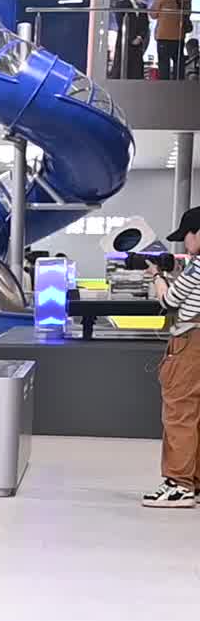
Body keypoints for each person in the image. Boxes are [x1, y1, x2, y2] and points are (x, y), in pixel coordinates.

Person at [143, 207, 200, 507]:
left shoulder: (198, 265)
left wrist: (157, 276)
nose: (185, 244)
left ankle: (179, 485)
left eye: (187, 236)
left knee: (180, 413)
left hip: (191, 343)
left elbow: (169, 300)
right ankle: (195, 481)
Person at [151, 0, 190, 80]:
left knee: (164, 66)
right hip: (179, 35)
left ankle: (165, 89)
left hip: (164, 36)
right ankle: (179, 88)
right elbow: (187, 14)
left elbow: (153, 14)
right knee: (178, 65)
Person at [114, 0, 151, 79]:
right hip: (124, 43)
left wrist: (140, 37)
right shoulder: (121, 4)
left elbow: (145, 24)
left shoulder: (143, 6)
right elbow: (120, 23)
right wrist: (131, 38)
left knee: (136, 72)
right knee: (122, 69)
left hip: (138, 46)